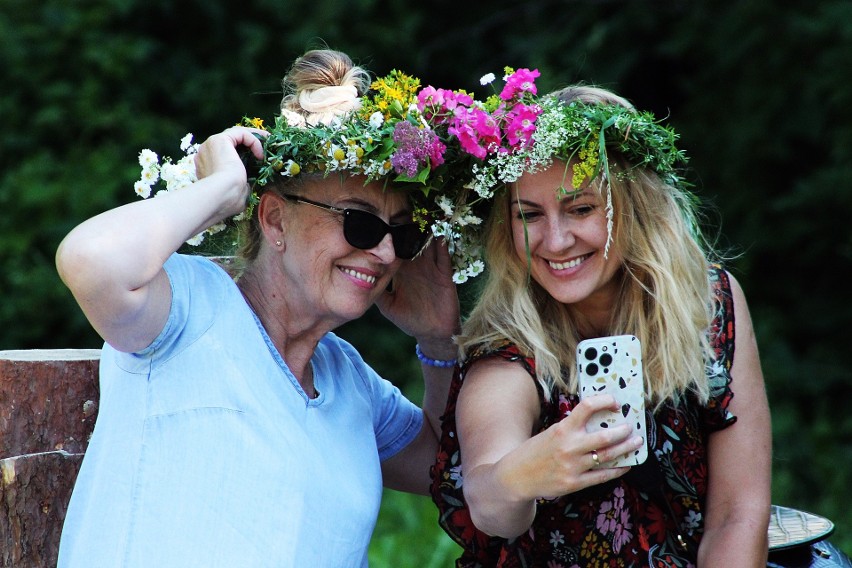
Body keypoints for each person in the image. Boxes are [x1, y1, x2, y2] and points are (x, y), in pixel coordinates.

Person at [55, 49, 471, 567]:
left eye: (401, 233)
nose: (385, 253)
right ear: (274, 221)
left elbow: (452, 469)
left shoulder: (349, 379)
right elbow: (88, 258)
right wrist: (224, 188)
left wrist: (438, 341)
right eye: (359, 223)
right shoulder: (190, 308)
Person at [430, 80, 772, 566]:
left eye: (581, 208)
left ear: (634, 207)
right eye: (529, 215)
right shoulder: (505, 348)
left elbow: (738, 514)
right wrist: (527, 473)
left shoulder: (709, 301)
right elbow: (489, 503)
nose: (556, 240)